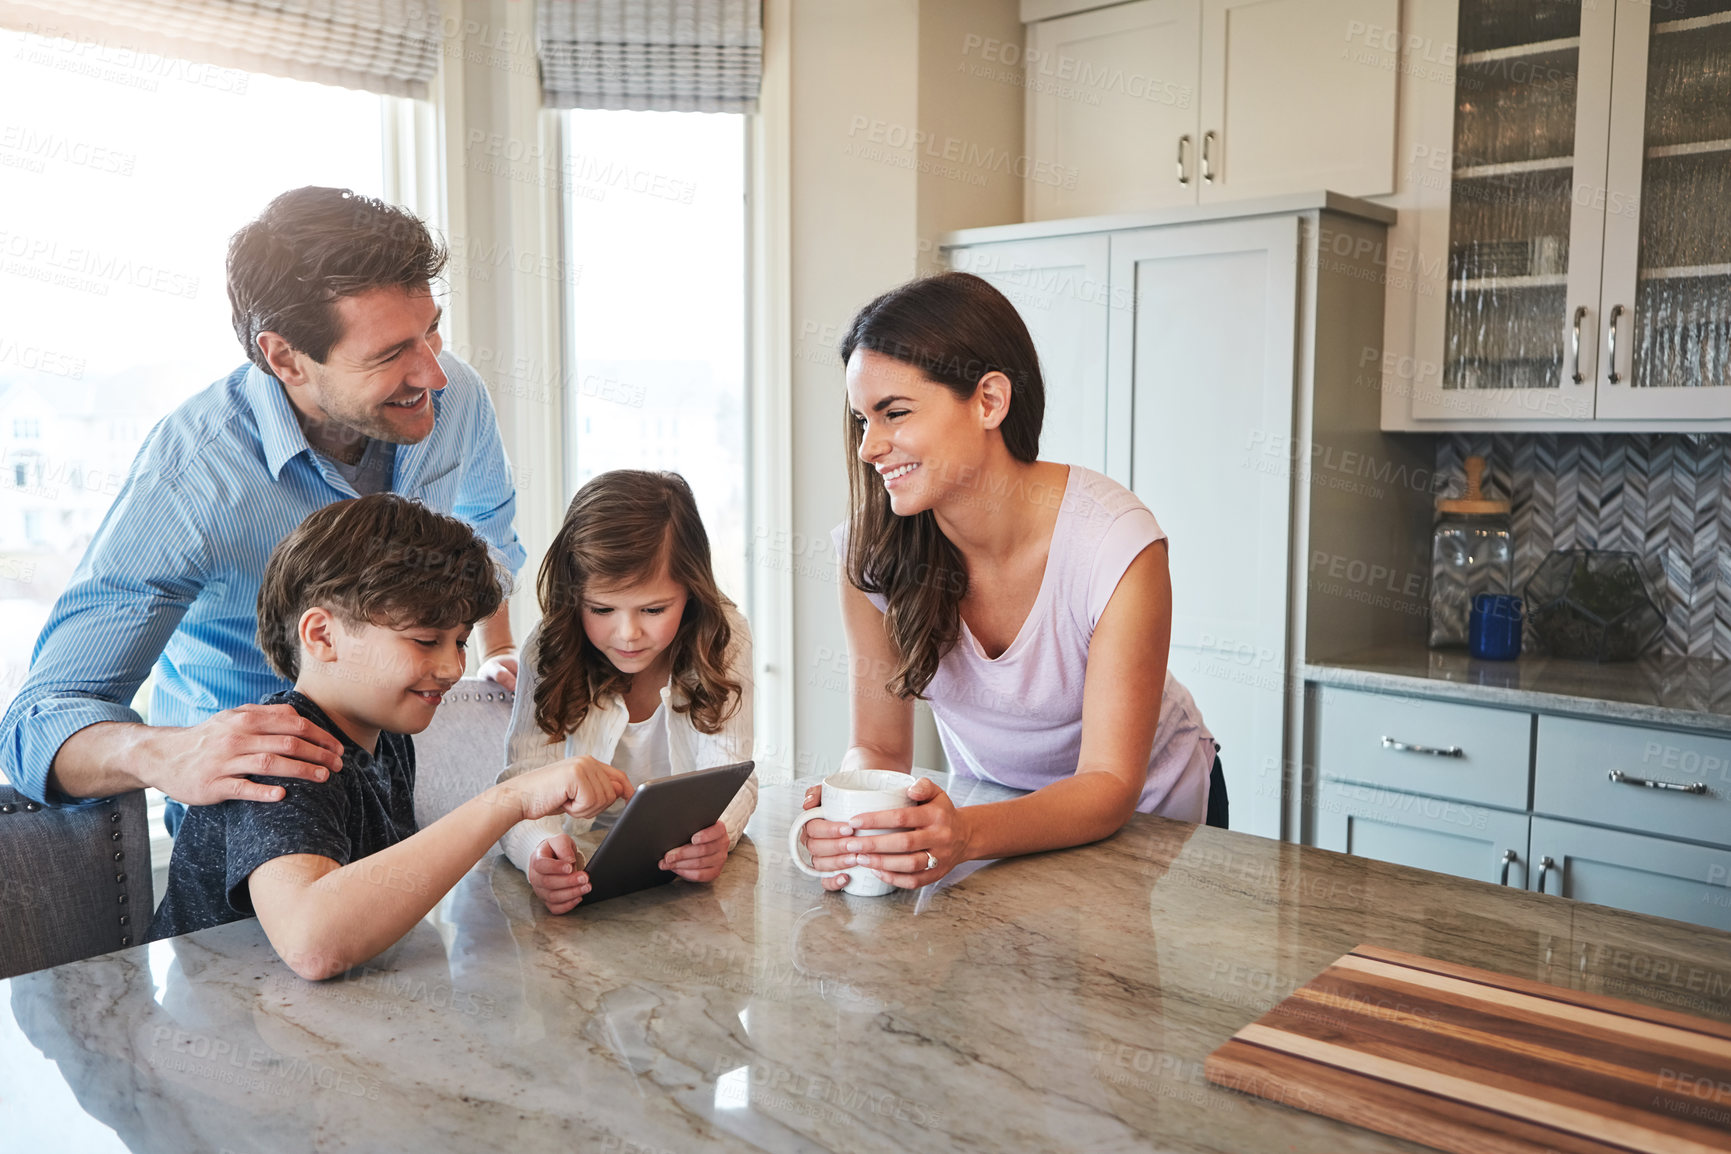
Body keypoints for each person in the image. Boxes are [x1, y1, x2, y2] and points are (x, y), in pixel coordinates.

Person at [0, 187, 526, 827]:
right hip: (263, 816)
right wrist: (167, 752)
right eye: (390, 354)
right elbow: (37, 721)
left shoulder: (453, 397)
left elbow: (487, 538)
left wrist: (496, 648)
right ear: (285, 358)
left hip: (414, 792)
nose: (433, 374)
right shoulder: (193, 478)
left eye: (432, 331)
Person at [800, 272, 1223, 893]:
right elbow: (878, 747)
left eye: (894, 414)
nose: (870, 448)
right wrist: (856, 806)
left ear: (990, 401)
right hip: (994, 821)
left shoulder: (1116, 542)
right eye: (863, 420)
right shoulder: (871, 554)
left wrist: (964, 835)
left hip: (1147, 827)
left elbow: (1107, 785)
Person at [148, 494, 632, 980]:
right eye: (425, 640)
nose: (451, 668)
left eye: (460, 641)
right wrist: (509, 799)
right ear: (322, 636)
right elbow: (312, 943)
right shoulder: (283, 747)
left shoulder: (387, 737)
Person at [495, 470, 755, 914]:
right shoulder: (550, 646)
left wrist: (720, 835)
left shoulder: (723, 637)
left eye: (654, 609)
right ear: (574, 596)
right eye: (601, 609)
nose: (629, 633)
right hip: (577, 859)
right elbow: (520, 784)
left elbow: (734, 775)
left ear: (691, 593)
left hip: (680, 885)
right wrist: (538, 849)